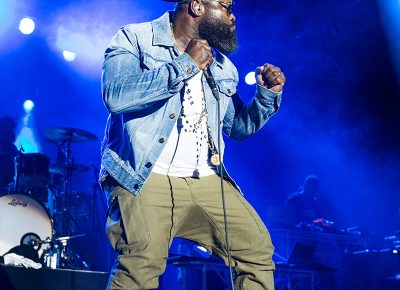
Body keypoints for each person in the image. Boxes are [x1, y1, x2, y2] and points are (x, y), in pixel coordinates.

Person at [100, 0, 286, 289]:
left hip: (206, 179)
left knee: (256, 251)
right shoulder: (135, 38)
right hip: (145, 177)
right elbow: (116, 95)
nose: (233, 16)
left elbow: (237, 127)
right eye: (226, 6)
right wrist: (185, 65)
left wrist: (266, 96)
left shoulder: (223, 66)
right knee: (141, 265)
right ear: (197, 6)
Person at [0, 116, 18, 194]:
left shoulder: (12, 147)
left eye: (11, 129)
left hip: (8, 185)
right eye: (8, 129)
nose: (11, 132)